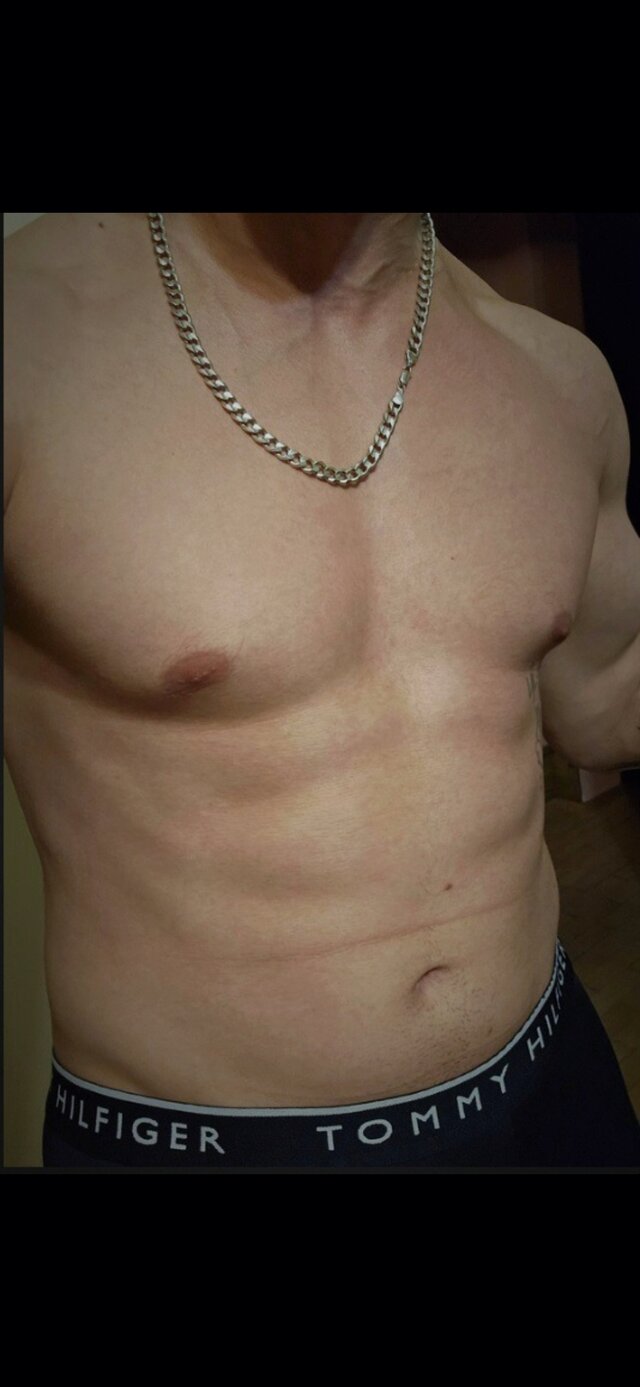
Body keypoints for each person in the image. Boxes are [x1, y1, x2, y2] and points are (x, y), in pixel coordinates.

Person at [4, 211, 640, 1171]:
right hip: (217, 1147)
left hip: (557, 1086)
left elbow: (607, 702)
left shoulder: (559, 376)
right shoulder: (30, 340)